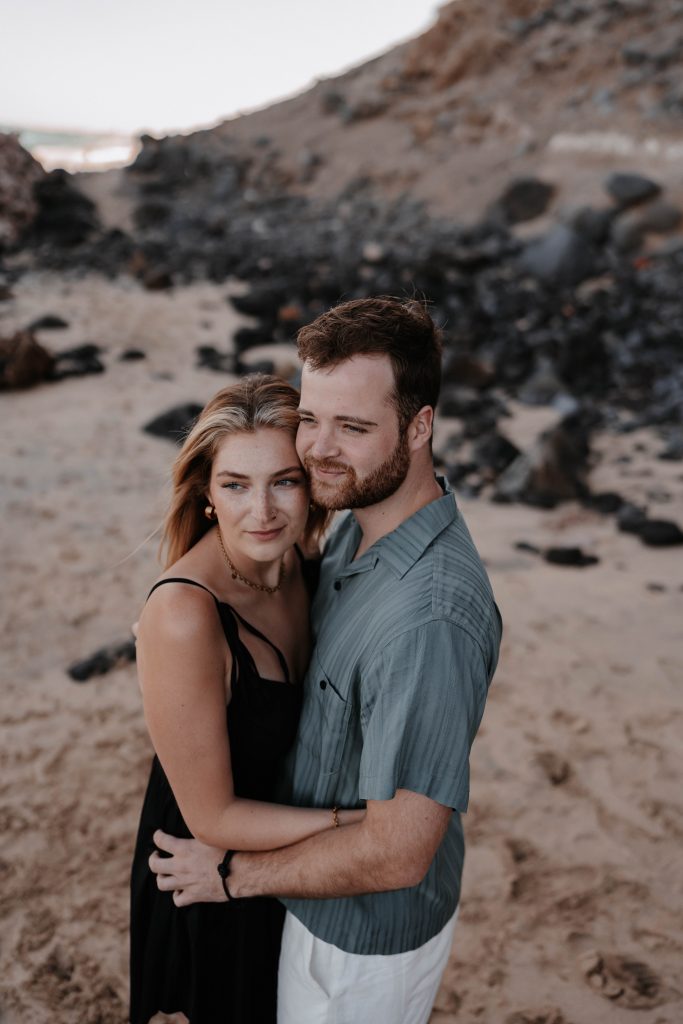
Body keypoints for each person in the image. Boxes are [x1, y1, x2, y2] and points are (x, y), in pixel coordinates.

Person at [149, 296, 502, 1024]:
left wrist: (234, 874)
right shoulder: (349, 531)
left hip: (357, 948)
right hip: (307, 902)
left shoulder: (426, 618)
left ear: (419, 426)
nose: (318, 451)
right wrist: (176, 612)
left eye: (353, 427)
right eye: (311, 419)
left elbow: (397, 854)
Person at [129, 375, 364, 1024]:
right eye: (235, 485)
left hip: (278, 863)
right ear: (206, 494)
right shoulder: (184, 613)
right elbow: (214, 819)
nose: (260, 511)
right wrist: (360, 828)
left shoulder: (300, 562)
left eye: (284, 481)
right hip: (205, 877)